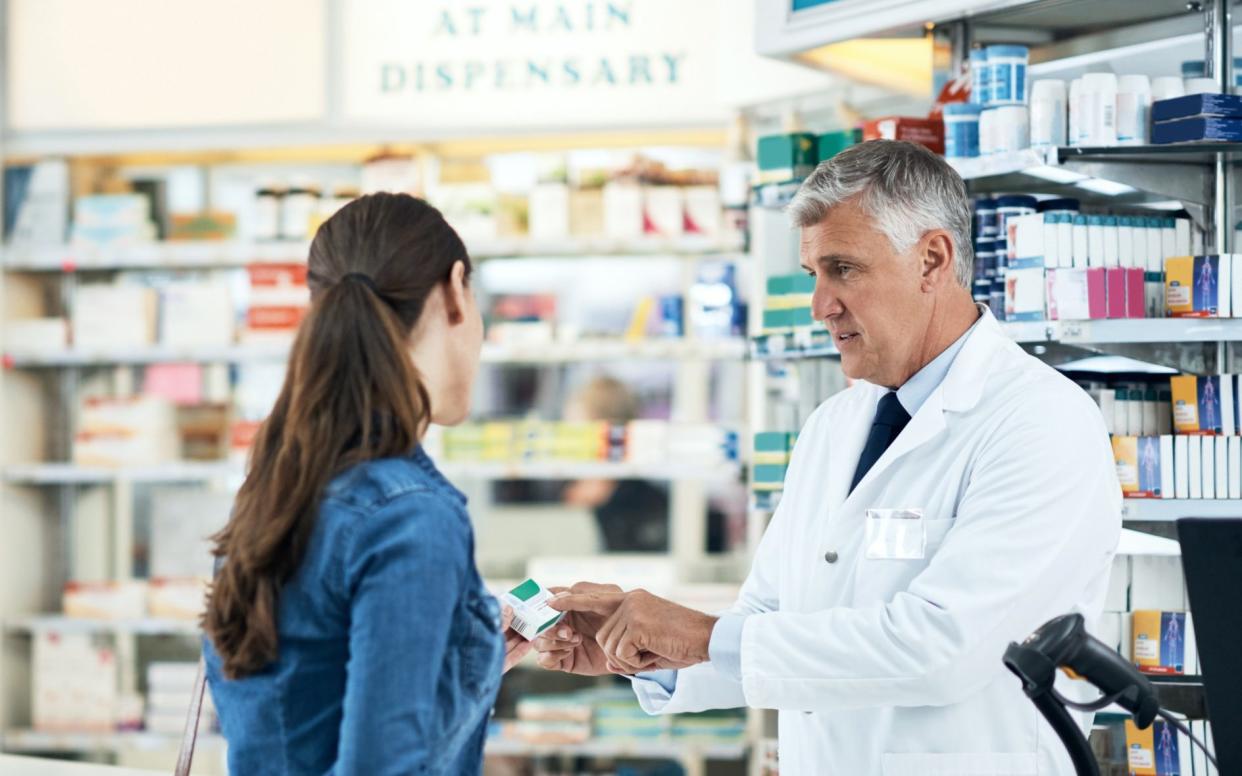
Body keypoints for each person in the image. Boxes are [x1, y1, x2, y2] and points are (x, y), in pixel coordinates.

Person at [534, 140, 1122, 774]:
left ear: (932, 259)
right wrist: (642, 648)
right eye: (815, 274)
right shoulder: (834, 426)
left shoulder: (1039, 421)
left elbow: (942, 647)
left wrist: (698, 635)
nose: (821, 306)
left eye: (843, 268)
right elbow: (770, 620)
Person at [202, 193, 529, 775]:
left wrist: (466, 655)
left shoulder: (278, 487)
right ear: (456, 290)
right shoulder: (411, 515)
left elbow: (311, 703)